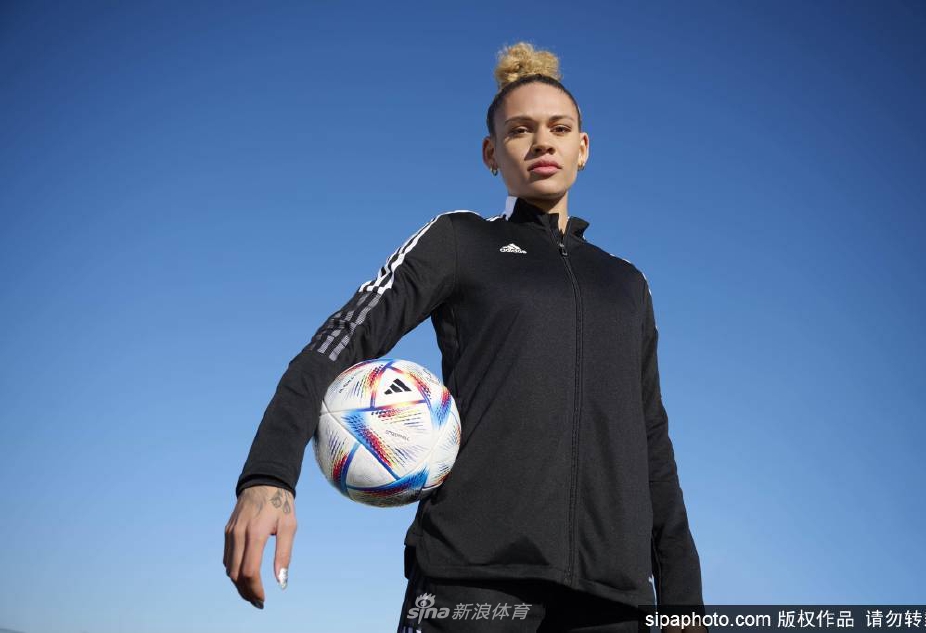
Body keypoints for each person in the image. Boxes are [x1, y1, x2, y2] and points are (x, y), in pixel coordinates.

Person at [224, 41, 707, 633]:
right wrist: (269, 475)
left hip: (614, 599)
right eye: (520, 130)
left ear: (582, 148)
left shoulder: (627, 283)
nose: (542, 142)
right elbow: (343, 338)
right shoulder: (461, 241)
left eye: (559, 128)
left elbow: (652, 441)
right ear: (491, 153)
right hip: (471, 579)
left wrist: (684, 603)